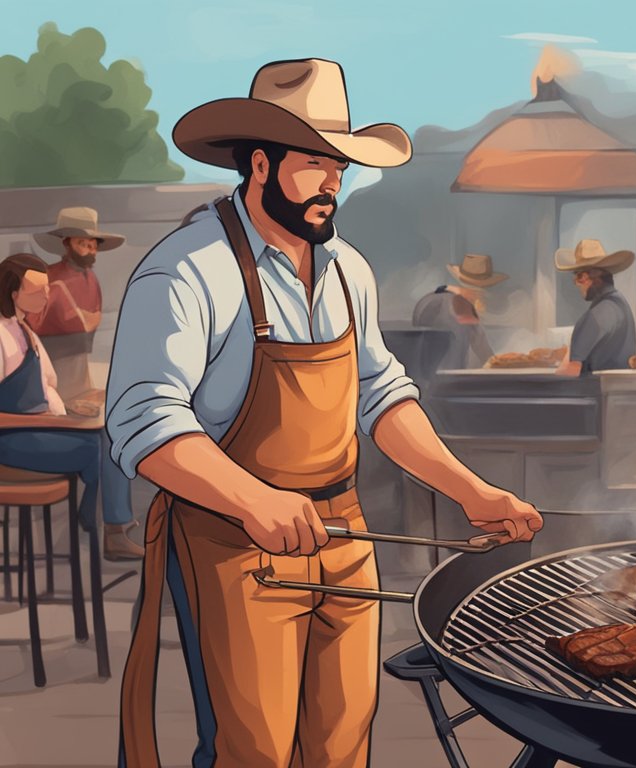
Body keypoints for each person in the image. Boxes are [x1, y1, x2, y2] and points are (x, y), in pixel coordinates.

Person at [111, 59, 542, 768]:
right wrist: (254, 499)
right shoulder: (189, 269)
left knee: (343, 747)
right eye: (314, 163)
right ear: (259, 162)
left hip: (344, 537)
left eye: (338, 166)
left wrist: (474, 492)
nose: (330, 184)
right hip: (234, 545)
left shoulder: (348, 270)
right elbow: (145, 423)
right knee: (255, 754)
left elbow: (382, 396)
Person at [29, 207, 142, 560]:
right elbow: (29, 348)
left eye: (93, 244)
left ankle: (102, 515)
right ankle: (112, 527)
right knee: (109, 434)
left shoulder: (91, 281)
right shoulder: (47, 283)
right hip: (51, 387)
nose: (90, 250)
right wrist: (55, 400)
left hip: (79, 377)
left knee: (128, 414)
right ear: (66, 244)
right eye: (83, 243)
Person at [0, 253, 104, 534]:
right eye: (37, 291)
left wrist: (65, 414)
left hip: (38, 430)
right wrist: (44, 420)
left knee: (104, 437)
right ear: (13, 293)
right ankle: (95, 524)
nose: (47, 296)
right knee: (96, 449)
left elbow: (49, 383)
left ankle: (97, 520)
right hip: (11, 443)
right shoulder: (1, 335)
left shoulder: (25, 330)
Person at [554, 238, 636, 376]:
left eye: (579, 278)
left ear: (590, 278)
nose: (577, 284)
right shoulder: (620, 303)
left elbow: (571, 370)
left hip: (595, 392)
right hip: (616, 390)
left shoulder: (597, 315)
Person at [410, 253, 502, 373]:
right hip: (450, 377)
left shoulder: (430, 299)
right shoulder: (462, 307)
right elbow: (485, 354)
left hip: (422, 374)